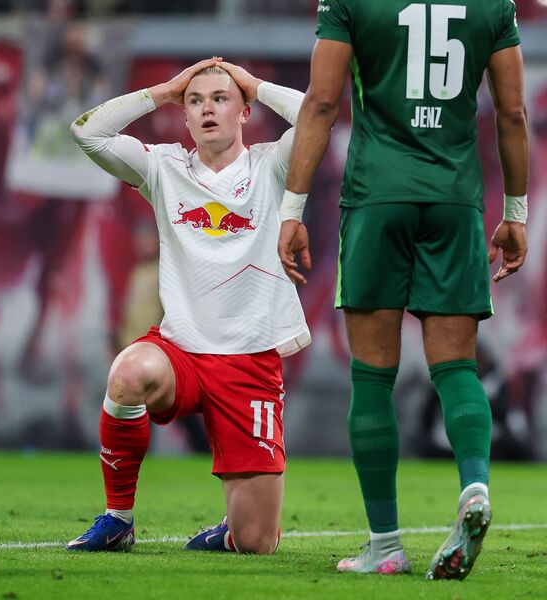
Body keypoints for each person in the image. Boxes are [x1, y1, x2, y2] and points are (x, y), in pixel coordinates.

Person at [278, 0, 528, 579]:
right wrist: (515, 213)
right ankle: (474, 487)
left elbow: (321, 102)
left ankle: (385, 546)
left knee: (372, 375)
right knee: (456, 366)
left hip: (376, 196)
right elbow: (512, 113)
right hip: (454, 199)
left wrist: (292, 209)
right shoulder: (494, 4)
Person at [66, 58, 312, 554]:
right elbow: (87, 132)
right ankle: (118, 519)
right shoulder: (164, 167)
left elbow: (318, 115)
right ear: (184, 114)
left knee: (257, 543)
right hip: (181, 351)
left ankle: (233, 529)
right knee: (128, 374)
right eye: (195, 101)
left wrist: (255, 85)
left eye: (221, 99)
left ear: (244, 112)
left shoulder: (272, 164)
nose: (207, 109)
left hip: (249, 362)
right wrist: (164, 90)